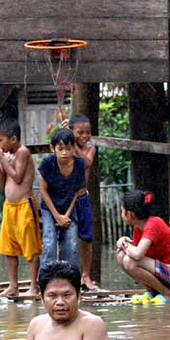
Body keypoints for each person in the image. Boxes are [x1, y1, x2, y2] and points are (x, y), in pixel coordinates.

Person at [0, 118, 42, 297]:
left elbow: (18, 177)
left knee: (30, 247)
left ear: (13, 139)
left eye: (0, 140)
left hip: (24, 206)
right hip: (9, 207)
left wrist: (2, 160)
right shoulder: (7, 156)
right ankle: (13, 286)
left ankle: (34, 286)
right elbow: (1, 183)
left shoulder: (22, 152)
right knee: (8, 248)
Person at [116, 190, 170, 304]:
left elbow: (137, 254)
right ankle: (153, 292)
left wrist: (125, 245)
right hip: (166, 275)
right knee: (121, 255)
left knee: (129, 260)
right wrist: (123, 241)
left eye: (122, 211)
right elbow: (137, 252)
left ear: (130, 214)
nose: (121, 213)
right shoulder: (138, 228)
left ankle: (168, 295)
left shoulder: (154, 224)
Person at [26, 260, 110, 340]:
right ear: (42, 298)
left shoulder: (92, 325)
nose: (60, 302)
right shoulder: (36, 325)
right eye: (52, 296)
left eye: (66, 295)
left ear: (79, 297)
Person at [38, 128, 86, 272]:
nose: (64, 152)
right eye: (60, 149)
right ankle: (45, 282)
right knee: (49, 243)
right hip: (49, 208)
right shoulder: (48, 163)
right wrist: (57, 216)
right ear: (53, 148)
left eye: (68, 148)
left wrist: (66, 215)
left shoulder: (79, 164)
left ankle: (71, 282)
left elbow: (78, 191)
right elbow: (43, 191)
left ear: (73, 148)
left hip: (68, 209)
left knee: (71, 245)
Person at [69, 114, 98, 290]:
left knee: (86, 239)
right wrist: (67, 139)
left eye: (88, 132)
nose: (85, 136)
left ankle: (86, 275)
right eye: (80, 132)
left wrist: (73, 142)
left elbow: (85, 163)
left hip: (82, 197)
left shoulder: (90, 148)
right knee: (64, 238)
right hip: (65, 199)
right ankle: (66, 275)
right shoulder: (65, 145)